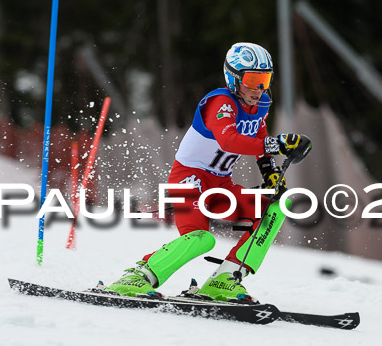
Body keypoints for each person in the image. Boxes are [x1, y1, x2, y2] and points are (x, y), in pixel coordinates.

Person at [105, 42, 309, 302]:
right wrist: (277, 143)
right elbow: (229, 140)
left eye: (265, 79)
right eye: (253, 80)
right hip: (189, 181)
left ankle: (226, 278)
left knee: (277, 206)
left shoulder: (261, 102)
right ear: (234, 78)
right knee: (201, 239)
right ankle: (139, 275)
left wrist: (268, 168)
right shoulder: (220, 102)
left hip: (220, 185)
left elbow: (258, 130)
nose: (259, 88)